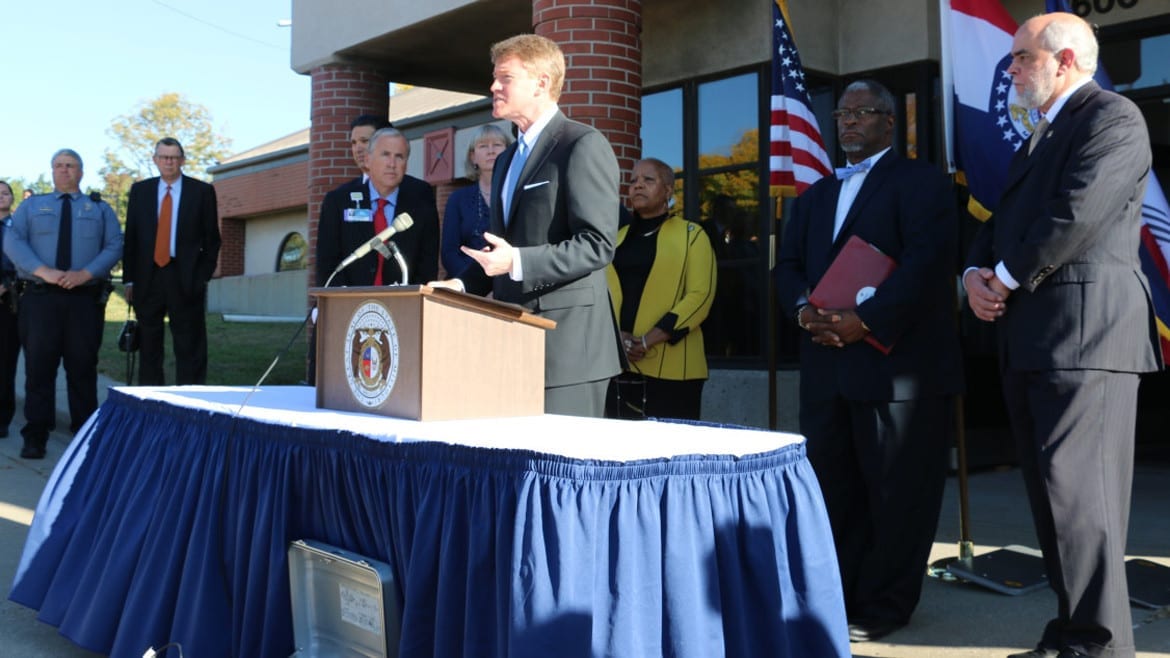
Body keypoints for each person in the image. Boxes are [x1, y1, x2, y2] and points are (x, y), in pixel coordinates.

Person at [964, 13, 1161, 658]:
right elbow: (1000, 221)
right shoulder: (1038, 136)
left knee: (1085, 502)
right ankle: (1074, 631)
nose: (1012, 68)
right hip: (1035, 338)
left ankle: (1101, 645)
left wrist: (1001, 276)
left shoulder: (1112, 117)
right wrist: (974, 273)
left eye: (1021, 57)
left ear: (1066, 59)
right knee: (1054, 502)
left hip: (1086, 336)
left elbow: (1076, 210)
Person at [774, 79, 963, 642]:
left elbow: (927, 265)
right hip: (828, 370)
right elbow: (786, 269)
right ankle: (841, 597)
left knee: (898, 495)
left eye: (863, 112)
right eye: (843, 114)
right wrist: (804, 310)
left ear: (890, 121)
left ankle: (886, 606)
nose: (849, 121)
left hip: (895, 369)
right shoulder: (813, 196)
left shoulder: (923, 182)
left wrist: (870, 319)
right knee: (836, 490)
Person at [437, 33, 621, 418]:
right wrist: (459, 286)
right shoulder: (505, 161)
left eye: (505, 77)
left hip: (569, 351)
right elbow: (502, 249)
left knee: (565, 470)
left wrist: (517, 262)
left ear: (540, 83)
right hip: (513, 342)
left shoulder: (581, 144)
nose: (493, 86)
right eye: (495, 77)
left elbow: (597, 244)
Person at [4, 149, 123, 459]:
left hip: (83, 301)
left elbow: (114, 244)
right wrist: (46, 272)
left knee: (82, 368)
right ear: (52, 170)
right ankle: (36, 434)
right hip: (41, 297)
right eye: (58, 166)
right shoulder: (32, 206)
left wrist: (85, 274)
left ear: (81, 172)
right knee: (38, 369)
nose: (64, 170)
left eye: (71, 166)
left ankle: (85, 434)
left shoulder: (99, 209)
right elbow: (13, 241)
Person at [604, 158, 715, 420]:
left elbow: (701, 297)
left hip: (676, 371)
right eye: (633, 181)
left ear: (668, 190)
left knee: (670, 454)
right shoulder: (614, 240)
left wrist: (646, 341)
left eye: (648, 180)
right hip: (620, 364)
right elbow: (602, 296)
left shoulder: (692, 235)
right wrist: (617, 339)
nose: (638, 185)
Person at [123, 138, 221, 386]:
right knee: (148, 345)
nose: (169, 162)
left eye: (174, 157)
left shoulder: (201, 192)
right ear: (155, 160)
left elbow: (212, 240)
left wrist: (202, 277)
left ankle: (190, 401)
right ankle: (151, 401)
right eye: (164, 157)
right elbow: (131, 238)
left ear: (183, 160)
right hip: (148, 276)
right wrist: (129, 279)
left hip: (185, 276)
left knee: (190, 345)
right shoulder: (140, 191)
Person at [316, 126, 439, 287]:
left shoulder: (421, 207)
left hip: (402, 305)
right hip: (349, 304)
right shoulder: (338, 201)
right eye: (385, 155)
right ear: (367, 160)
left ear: (406, 165)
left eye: (399, 157)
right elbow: (327, 264)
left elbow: (427, 269)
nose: (392, 164)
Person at [440, 123, 513, 277]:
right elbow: (449, 253)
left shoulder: (516, 194)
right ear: (473, 156)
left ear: (508, 152)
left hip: (509, 282)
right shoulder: (458, 199)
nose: (491, 151)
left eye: (497, 145)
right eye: (483, 146)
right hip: (466, 287)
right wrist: (473, 283)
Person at [0, 181, 19, 438]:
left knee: (5, 362)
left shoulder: (20, 227)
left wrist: (6, 285)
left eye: (5, 193)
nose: (1, 197)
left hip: (10, 299)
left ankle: (2, 418)